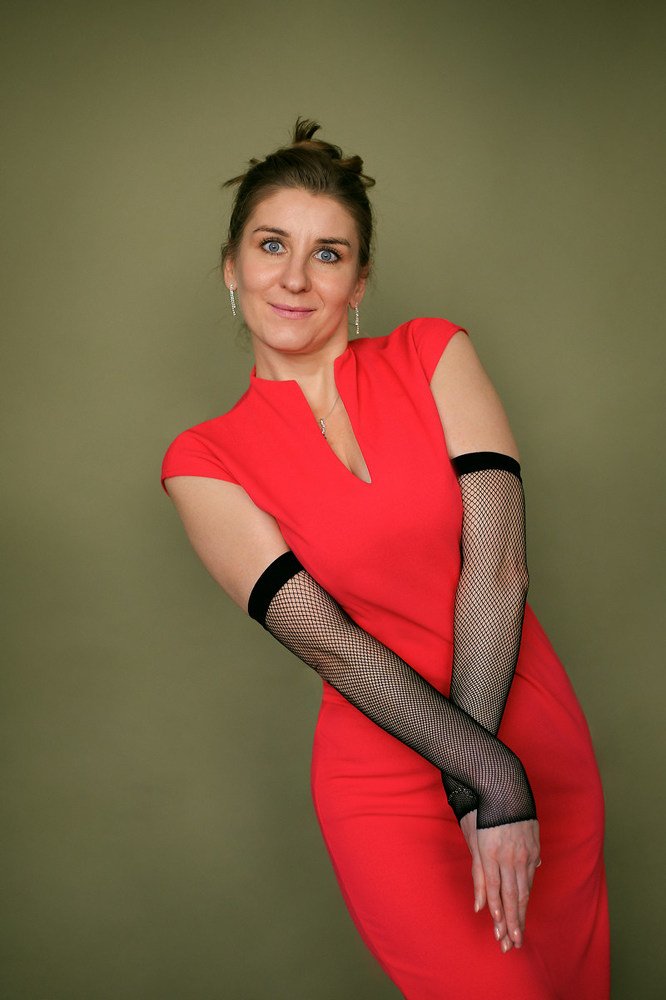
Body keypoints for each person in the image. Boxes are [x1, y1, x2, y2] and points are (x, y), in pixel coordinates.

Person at [160, 118, 609, 999]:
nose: (295, 277)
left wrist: (491, 780)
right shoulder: (203, 461)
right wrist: (486, 776)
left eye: (327, 254)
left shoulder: (434, 354)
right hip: (387, 785)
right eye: (271, 245)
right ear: (231, 267)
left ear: (360, 280)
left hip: (536, 740)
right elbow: (332, 645)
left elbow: (498, 567)